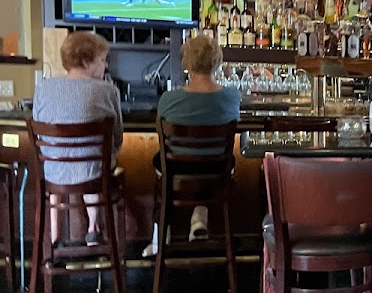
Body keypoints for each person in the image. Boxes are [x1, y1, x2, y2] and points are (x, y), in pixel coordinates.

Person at [144, 35, 240, 256]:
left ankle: (160, 238)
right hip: (217, 171)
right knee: (206, 159)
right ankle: (199, 219)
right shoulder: (232, 97)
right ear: (217, 61)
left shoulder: (168, 99)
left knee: (163, 163)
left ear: (186, 61)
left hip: (177, 171)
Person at [32, 31, 123, 245]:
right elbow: (117, 138)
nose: (105, 66)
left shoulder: (43, 89)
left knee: (81, 163)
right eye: (102, 60)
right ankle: (93, 228)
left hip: (53, 173)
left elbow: (38, 131)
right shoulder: (107, 90)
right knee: (95, 162)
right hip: (95, 173)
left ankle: (55, 236)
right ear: (86, 61)